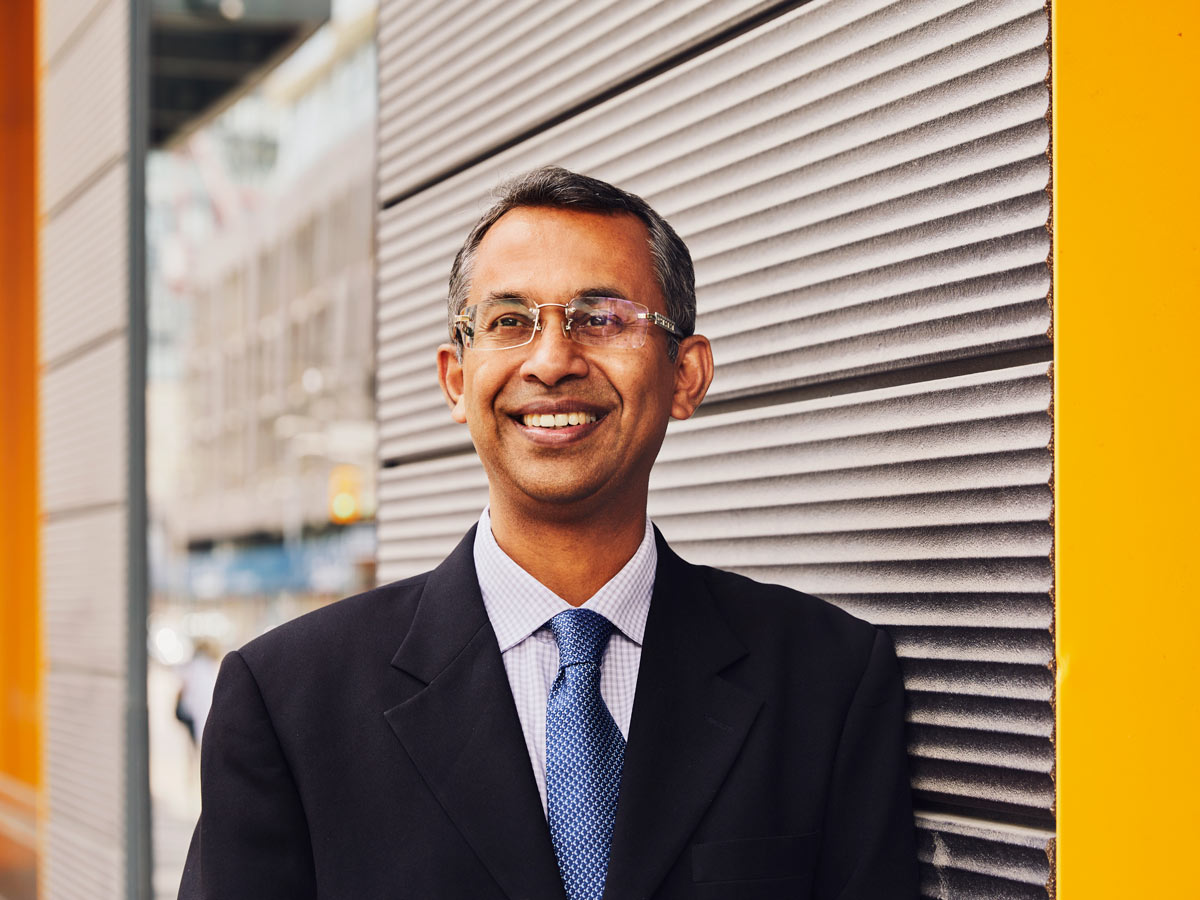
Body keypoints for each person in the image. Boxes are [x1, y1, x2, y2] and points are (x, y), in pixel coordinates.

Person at [179, 167, 918, 899]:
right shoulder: (287, 702)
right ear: (455, 380)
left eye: (604, 318)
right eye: (508, 322)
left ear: (686, 376)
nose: (553, 360)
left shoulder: (827, 679)